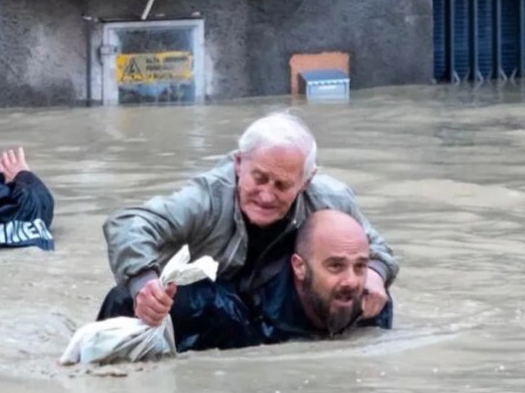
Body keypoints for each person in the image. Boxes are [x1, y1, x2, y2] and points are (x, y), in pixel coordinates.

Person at [100, 111, 398, 326]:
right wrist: (144, 284)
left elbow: (379, 251)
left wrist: (374, 274)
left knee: (371, 299)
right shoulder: (207, 198)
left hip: (272, 306)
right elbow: (128, 224)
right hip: (210, 302)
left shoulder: (331, 199)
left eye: (282, 185)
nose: (266, 196)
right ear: (239, 164)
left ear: (306, 182)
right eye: (259, 178)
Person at [111, 209, 393, 353]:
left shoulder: (372, 304)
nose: (351, 281)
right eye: (335, 266)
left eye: (360, 266)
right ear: (300, 267)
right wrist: (146, 295)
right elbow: (120, 302)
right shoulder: (220, 312)